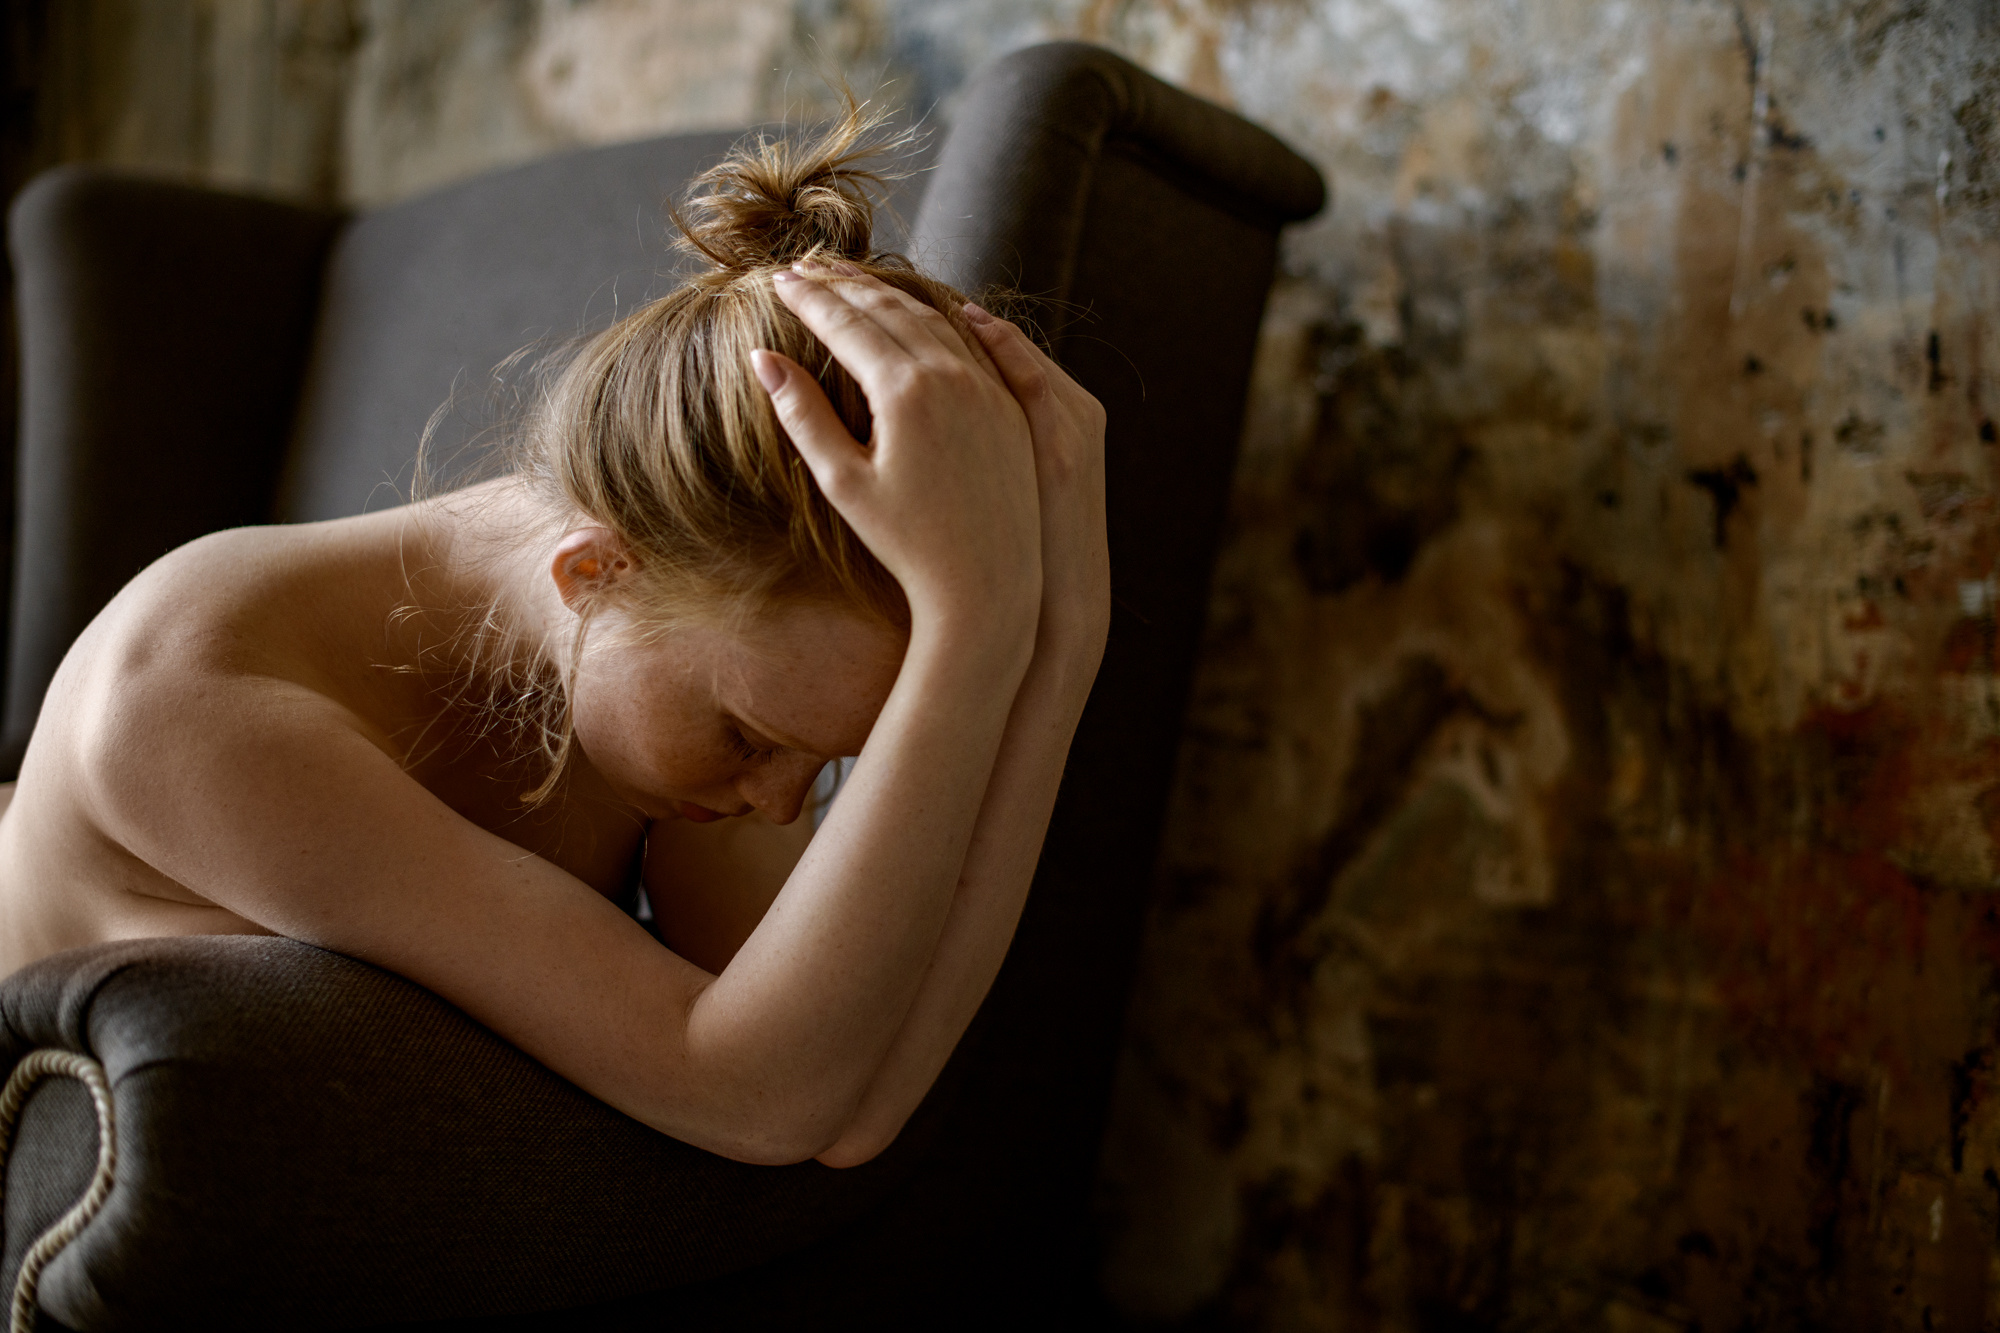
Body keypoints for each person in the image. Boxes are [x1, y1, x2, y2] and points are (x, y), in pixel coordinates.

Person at [0, 107, 1109, 1170]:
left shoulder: (663, 666)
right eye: (753, 738)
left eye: (823, 764)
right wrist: (979, 626)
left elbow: (845, 1103)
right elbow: (755, 1092)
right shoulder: (192, 700)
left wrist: (1058, 642)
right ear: (593, 572)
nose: (783, 806)